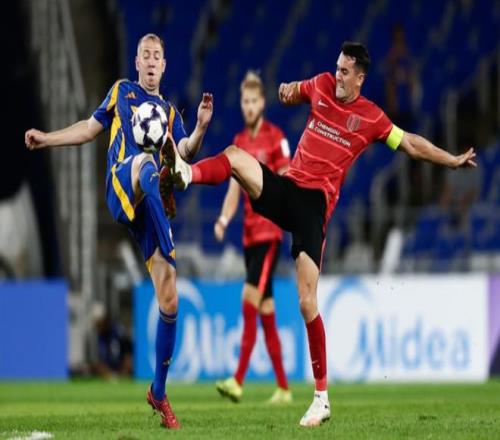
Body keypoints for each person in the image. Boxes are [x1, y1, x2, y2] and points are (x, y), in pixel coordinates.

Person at [160, 41, 477, 427]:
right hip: (288, 189)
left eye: (345, 72)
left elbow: (409, 142)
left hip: (313, 207)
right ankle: (185, 173)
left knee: (307, 302)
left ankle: (321, 399)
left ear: (360, 78)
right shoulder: (323, 84)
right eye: (337, 68)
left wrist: (450, 160)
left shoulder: (372, 118)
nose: (338, 76)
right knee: (234, 156)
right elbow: (297, 90)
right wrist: (286, 91)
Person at [25, 33, 214, 430]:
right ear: (137, 63)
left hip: (146, 205)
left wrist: (198, 127)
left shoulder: (170, 113)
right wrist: (46, 139)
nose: (151, 61)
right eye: (145, 55)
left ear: (164, 66)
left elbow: (186, 152)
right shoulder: (121, 92)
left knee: (170, 298)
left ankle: (158, 393)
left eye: (157, 56)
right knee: (146, 164)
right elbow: (87, 129)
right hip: (121, 182)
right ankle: (164, 202)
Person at [213, 71, 291, 404]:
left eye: (253, 101)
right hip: (248, 236)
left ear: (262, 103)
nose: (248, 106)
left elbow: (287, 177)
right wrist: (223, 219)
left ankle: (238, 379)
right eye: (244, 101)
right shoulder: (240, 142)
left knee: (249, 300)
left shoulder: (276, 139)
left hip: (269, 234)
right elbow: (233, 188)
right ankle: (284, 389)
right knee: (267, 310)